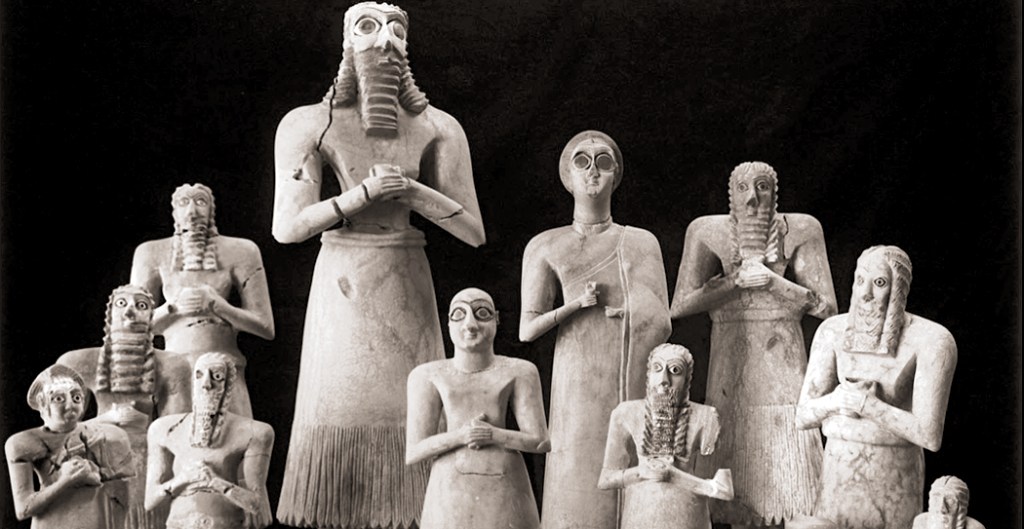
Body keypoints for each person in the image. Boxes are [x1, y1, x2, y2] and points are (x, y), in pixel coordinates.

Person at [271, 3, 485, 527]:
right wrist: (359, 196)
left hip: (406, 275)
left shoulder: (438, 127)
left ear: (407, 45)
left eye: (396, 29)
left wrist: (412, 192)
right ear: (347, 41)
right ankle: (331, 505)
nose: (384, 40)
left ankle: (417, 509)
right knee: (337, 405)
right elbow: (287, 227)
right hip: (342, 281)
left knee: (411, 408)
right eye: (367, 27)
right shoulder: (308, 123)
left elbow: (473, 232)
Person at [670, 161, 837, 526]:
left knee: (791, 468)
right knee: (731, 447)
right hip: (730, 359)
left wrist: (774, 282)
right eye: (743, 189)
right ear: (731, 196)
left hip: (785, 358)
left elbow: (827, 308)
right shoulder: (706, 231)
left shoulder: (803, 229)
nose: (752, 199)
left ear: (774, 195)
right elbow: (679, 306)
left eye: (762, 187)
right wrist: (733, 282)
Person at [520, 130, 671, 529]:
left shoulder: (640, 242)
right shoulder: (545, 246)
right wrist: (573, 307)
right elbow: (527, 328)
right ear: (567, 177)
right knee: (574, 455)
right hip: (575, 371)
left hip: (628, 368)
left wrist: (628, 313)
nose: (593, 172)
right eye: (582, 162)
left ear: (616, 175)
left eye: (603, 162)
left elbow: (662, 320)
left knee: (631, 453)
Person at [797, 245, 957, 529]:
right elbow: (802, 416)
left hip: (894, 479)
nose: (865, 293)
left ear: (898, 290)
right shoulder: (832, 331)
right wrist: (837, 401)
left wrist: (867, 405)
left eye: (879, 283)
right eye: (860, 280)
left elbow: (930, 435)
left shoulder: (931, 340)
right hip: (837, 473)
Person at [406, 288, 550, 529]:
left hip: (505, 483)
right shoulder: (427, 375)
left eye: (482, 313)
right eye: (459, 314)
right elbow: (414, 451)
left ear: (497, 320)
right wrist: (462, 436)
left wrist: (493, 434)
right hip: (449, 488)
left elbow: (541, 442)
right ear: (448, 323)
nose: (470, 324)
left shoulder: (521, 371)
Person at [131, 182, 275, 417]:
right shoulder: (150, 253)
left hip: (226, 367)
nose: (192, 211)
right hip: (176, 371)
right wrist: (173, 308)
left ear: (211, 210)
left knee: (237, 435)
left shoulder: (242, 251)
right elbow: (131, 330)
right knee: (176, 436)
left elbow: (266, 327)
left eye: (200, 202)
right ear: (174, 212)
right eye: (183, 203)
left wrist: (218, 305)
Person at [57, 284, 192, 529]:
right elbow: (59, 429)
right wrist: (106, 420)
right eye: (122, 304)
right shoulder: (76, 361)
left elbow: (178, 431)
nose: (130, 312)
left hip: (148, 456)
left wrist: (146, 426)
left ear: (151, 317)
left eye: (140, 305)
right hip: (95, 452)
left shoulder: (173, 365)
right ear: (110, 314)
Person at [598, 344, 734, 529]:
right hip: (640, 513)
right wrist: (640, 472)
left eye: (675, 371)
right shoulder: (626, 413)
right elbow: (606, 479)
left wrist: (672, 475)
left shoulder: (706, 417)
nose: (664, 380)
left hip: (687, 514)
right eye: (657, 369)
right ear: (649, 375)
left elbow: (724, 489)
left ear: (686, 380)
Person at [146, 353, 274, 529]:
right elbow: (150, 500)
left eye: (217, 376)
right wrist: (183, 478)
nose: (206, 384)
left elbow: (255, 504)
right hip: (179, 523)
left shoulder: (256, 432)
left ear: (227, 386)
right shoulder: (162, 428)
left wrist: (215, 482)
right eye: (199, 375)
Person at [5, 364, 134, 529]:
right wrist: (65, 481)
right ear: (42, 402)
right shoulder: (23, 442)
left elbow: (124, 493)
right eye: (59, 399)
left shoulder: (104, 435)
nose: (70, 405)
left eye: (76, 398)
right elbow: (24, 509)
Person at [912, 477, 985, 529]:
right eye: (936, 499)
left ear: (961, 508)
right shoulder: (921, 523)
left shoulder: (974, 527)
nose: (942, 509)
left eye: (950, 501)